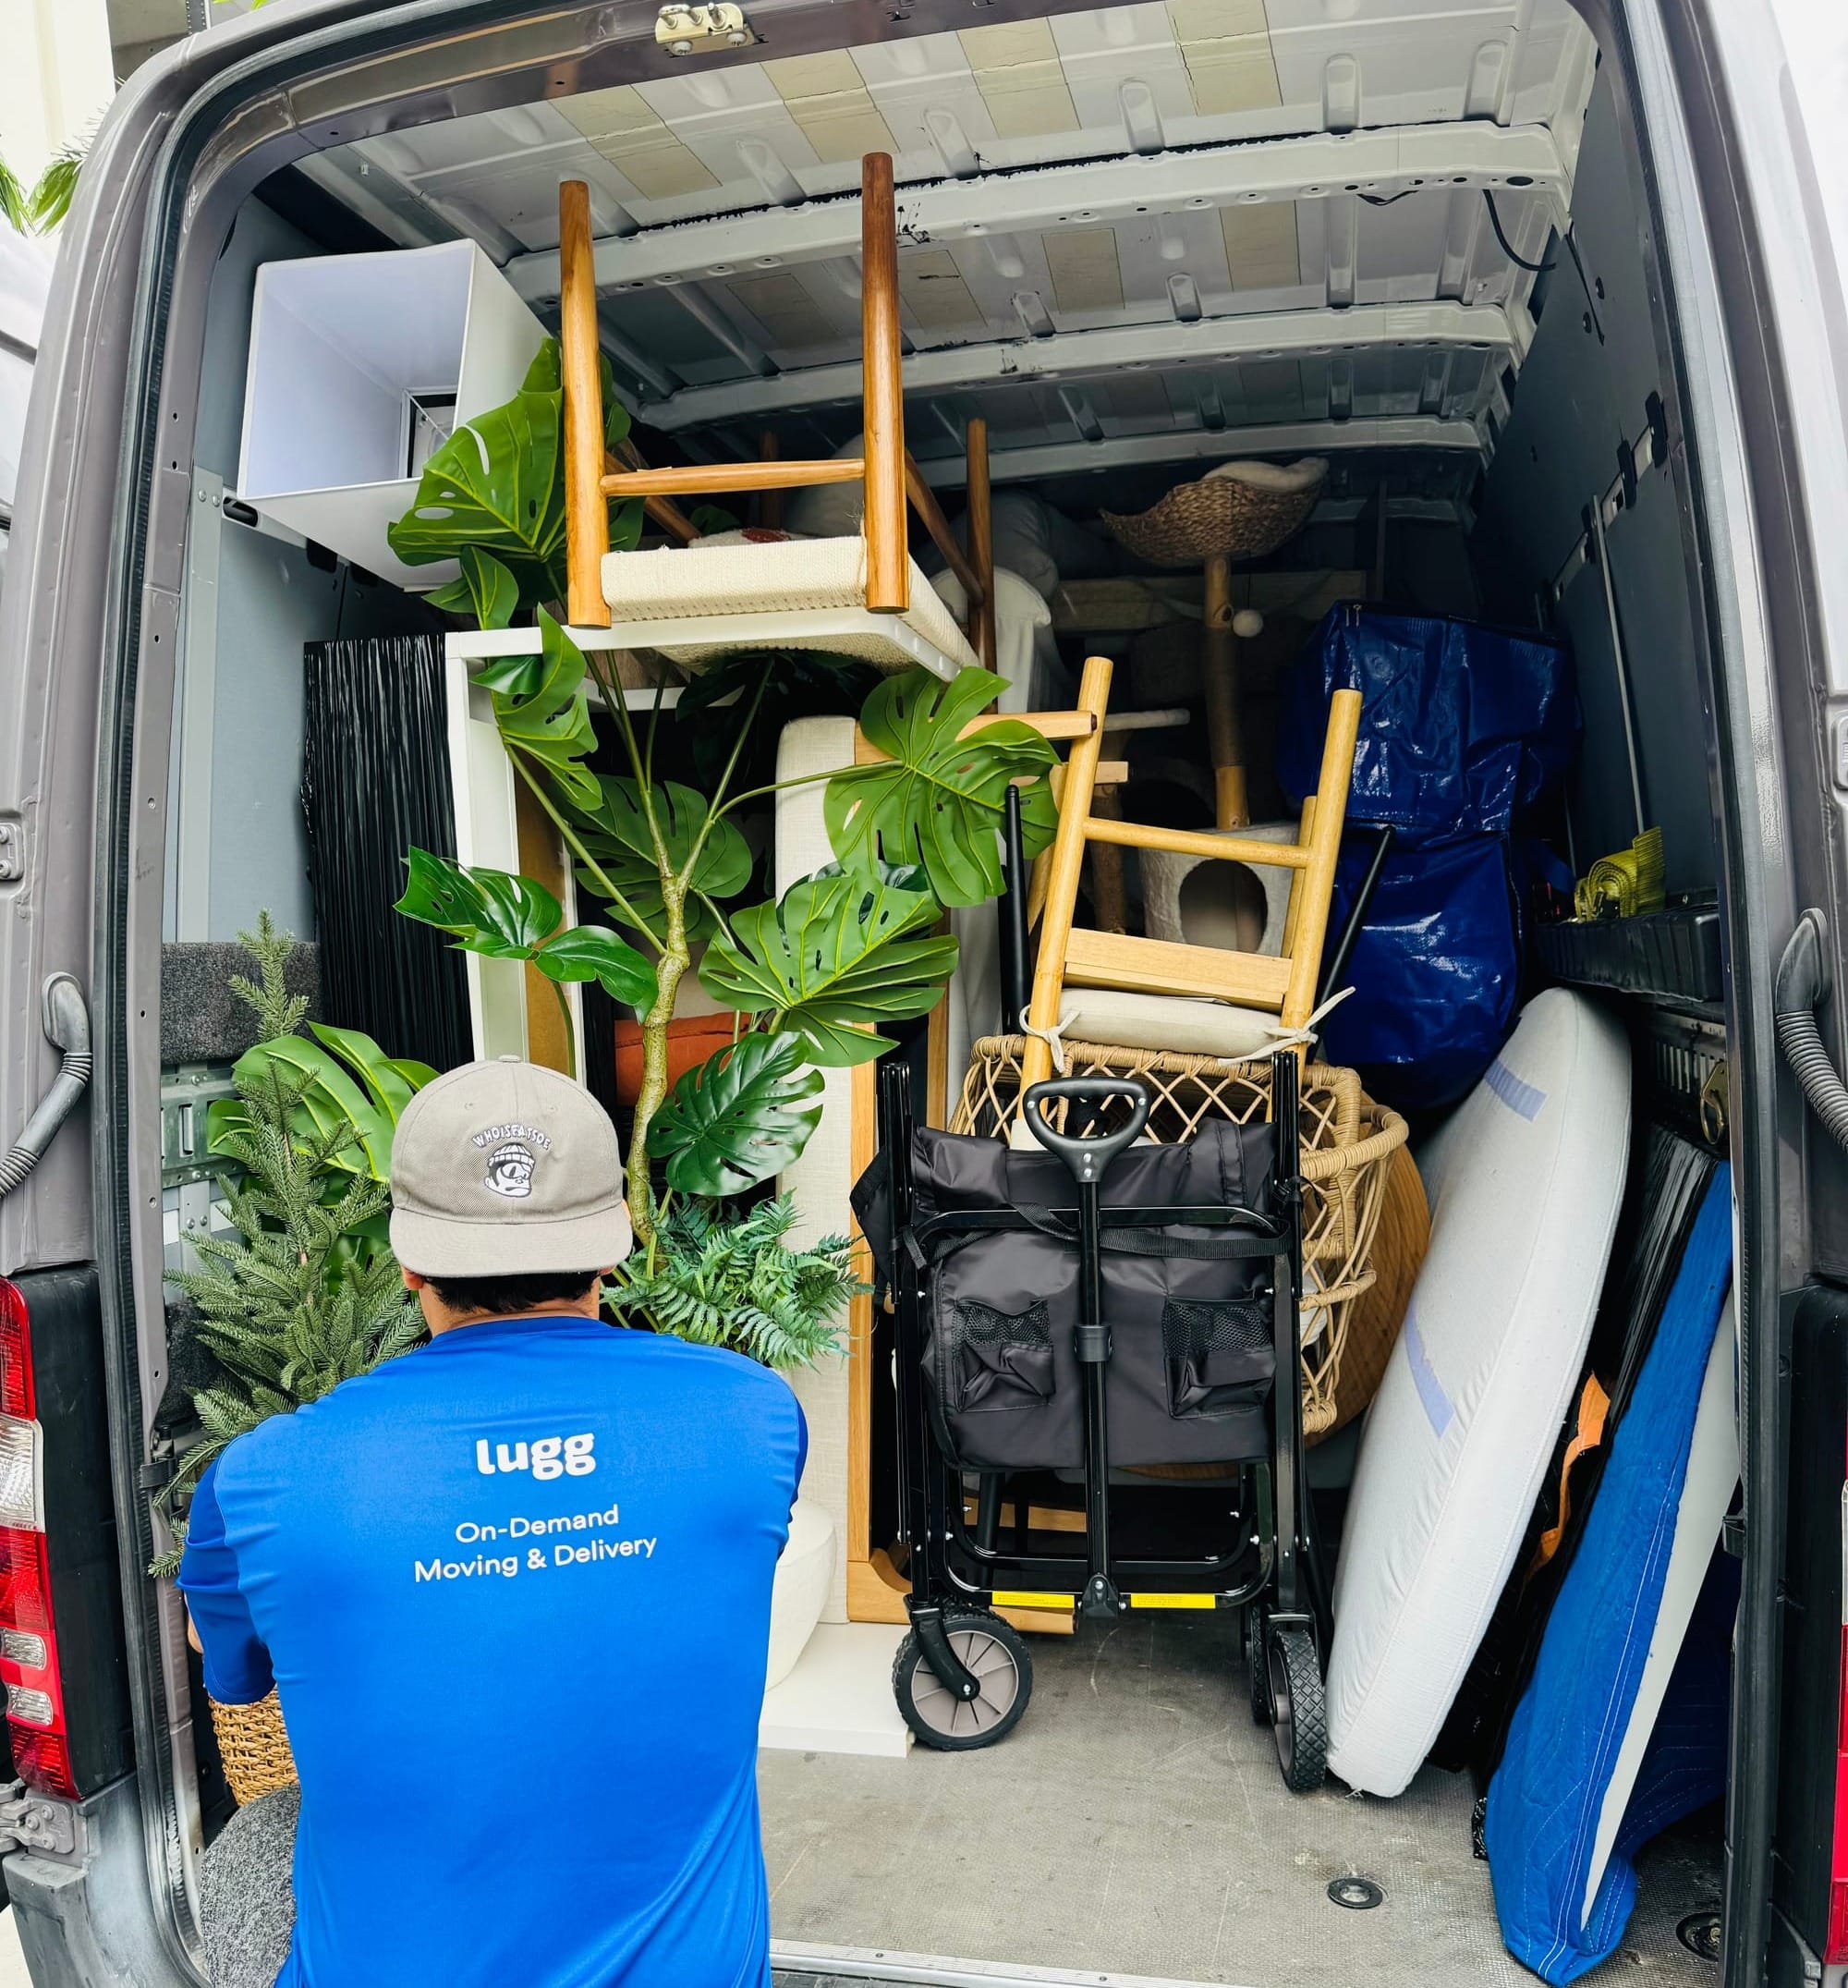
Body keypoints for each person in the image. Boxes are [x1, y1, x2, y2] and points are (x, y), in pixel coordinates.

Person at [179, 1056, 806, 1987]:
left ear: (407, 1261)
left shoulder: (259, 1482)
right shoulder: (753, 1417)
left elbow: (230, 1670)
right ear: (611, 1245)